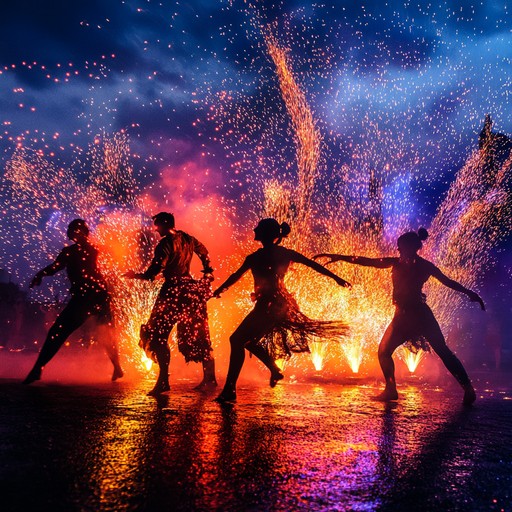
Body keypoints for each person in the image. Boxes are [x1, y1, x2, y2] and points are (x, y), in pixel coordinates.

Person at [314, 228, 485, 405]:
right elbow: (367, 261)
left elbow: (447, 281)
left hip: (415, 316)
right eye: (398, 247)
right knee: (388, 352)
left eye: (400, 247)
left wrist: (469, 293)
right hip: (409, 316)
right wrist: (340, 257)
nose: (398, 250)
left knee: (427, 351)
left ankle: (465, 389)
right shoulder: (400, 263)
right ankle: (393, 389)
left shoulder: (419, 265)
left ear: (411, 247)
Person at [213, 218, 351, 403]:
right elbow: (313, 265)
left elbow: (236, 276)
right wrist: (337, 279)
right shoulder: (278, 254)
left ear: (265, 234)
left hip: (271, 305)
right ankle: (272, 371)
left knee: (237, 339)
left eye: (258, 228)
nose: (254, 229)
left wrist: (221, 289)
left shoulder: (256, 257)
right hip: (277, 304)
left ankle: (231, 390)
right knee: (246, 341)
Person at [124, 212, 216, 396]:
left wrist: (137, 275)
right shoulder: (188, 239)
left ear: (166, 224)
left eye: (157, 225)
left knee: (158, 336)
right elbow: (204, 252)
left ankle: (164, 381)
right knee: (198, 335)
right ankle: (210, 378)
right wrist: (207, 272)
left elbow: (155, 269)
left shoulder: (165, 244)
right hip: (190, 291)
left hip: (172, 292)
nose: (155, 229)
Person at [23, 219, 123, 384]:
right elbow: (58, 266)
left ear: (79, 232)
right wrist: (40, 274)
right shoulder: (92, 250)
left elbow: (55, 267)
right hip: (100, 296)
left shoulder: (72, 252)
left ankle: (38, 368)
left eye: (72, 230)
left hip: (85, 298)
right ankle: (117, 367)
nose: (70, 232)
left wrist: (40, 274)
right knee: (106, 333)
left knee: (58, 331)